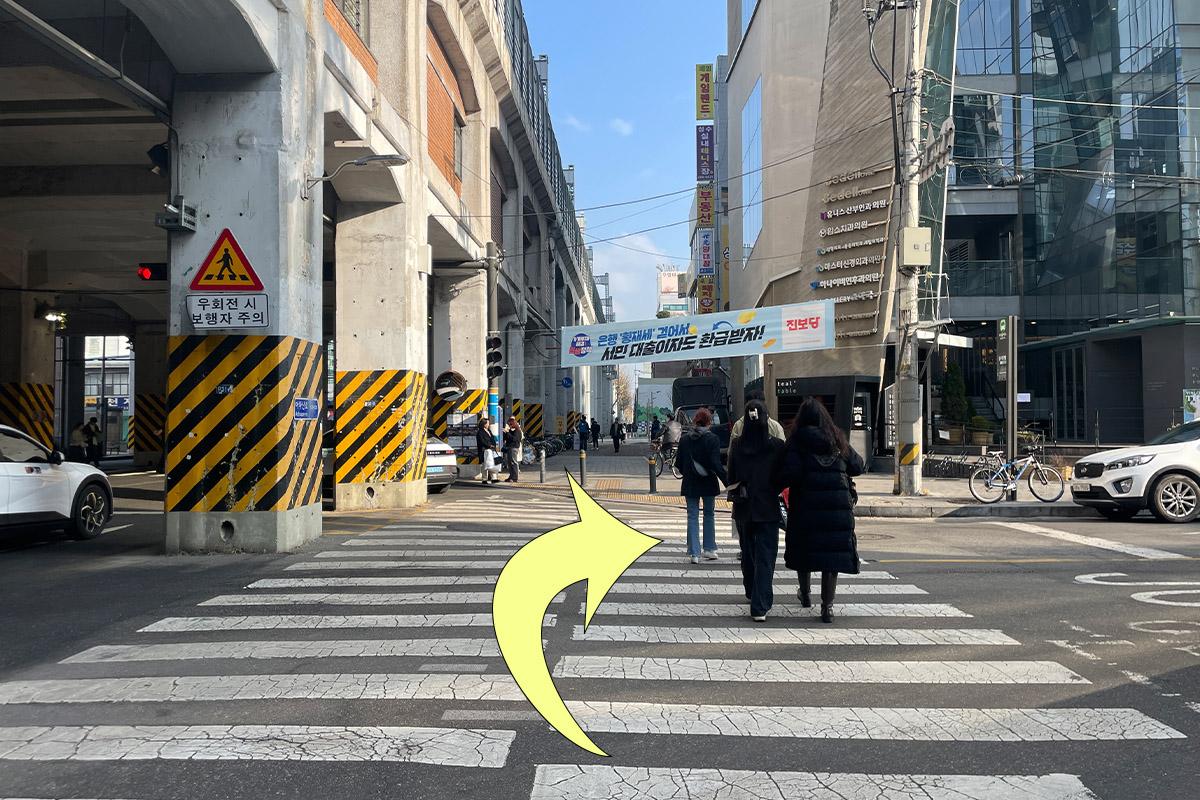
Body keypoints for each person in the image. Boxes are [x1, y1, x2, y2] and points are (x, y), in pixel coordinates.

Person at [775, 397, 865, 623]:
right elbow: (858, 465)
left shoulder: (796, 441)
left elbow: (787, 475)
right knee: (831, 557)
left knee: (804, 551)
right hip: (837, 509)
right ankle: (827, 607)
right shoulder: (837, 439)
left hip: (805, 508)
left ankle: (805, 595)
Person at [727, 400, 786, 621]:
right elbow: (783, 477)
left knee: (748, 552)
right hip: (768, 506)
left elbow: (731, 476)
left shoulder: (737, 445)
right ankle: (760, 605)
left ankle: (751, 590)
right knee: (766, 555)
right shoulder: (776, 446)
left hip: (743, 507)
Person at [676, 407, 727, 564]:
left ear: (695, 421)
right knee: (709, 514)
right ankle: (709, 549)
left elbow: (678, 464)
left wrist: (689, 472)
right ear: (709, 422)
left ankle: (694, 553)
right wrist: (727, 481)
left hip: (690, 482)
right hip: (708, 481)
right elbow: (716, 464)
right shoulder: (713, 439)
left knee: (692, 515)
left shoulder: (685, 439)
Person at [476, 417, 498, 484]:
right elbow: (482, 441)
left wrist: (493, 445)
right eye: (487, 423)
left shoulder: (489, 431)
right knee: (484, 465)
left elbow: (492, 439)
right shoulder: (480, 432)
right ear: (484, 424)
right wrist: (489, 445)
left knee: (492, 463)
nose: (488, 424)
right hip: (483, 450)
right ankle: (484, 479)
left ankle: (494, 478)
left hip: (491, 450)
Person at [502, 417, 523, 483]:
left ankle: (515, 477)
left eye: (509, 425)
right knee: (510, 463)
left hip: (514, 448)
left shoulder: (517, 431)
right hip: (510, 448)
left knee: (513, 462)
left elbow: (514, 439)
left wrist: (508, 432)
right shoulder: (512, 431)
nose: (509, 426)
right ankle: (511, 476)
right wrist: (505, 432)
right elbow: (506, 438)